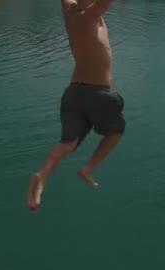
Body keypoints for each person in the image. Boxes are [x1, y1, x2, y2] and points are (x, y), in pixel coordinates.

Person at [26, 0, 125, 211]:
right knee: (115, 131)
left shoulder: (69, 15)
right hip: (98, 93)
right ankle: (88, 169)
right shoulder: (89, 16)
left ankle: (41, 176)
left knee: (67, 143)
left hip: (74, 93)